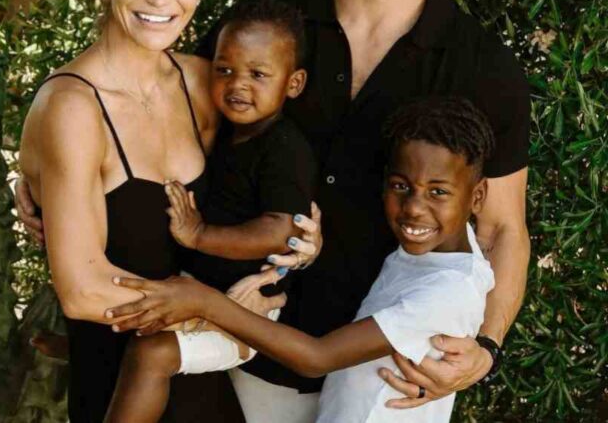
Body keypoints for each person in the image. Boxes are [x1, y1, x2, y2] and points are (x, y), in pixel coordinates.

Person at [15, 0, 530, 421]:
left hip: (382, 380)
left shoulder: (485, 67)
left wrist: (487, 347)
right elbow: (134, 102)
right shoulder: (265, 30)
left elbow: (500, 229)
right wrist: (41, 167)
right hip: (241, 369)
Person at [18, 0, 310, 422]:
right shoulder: (72, 108)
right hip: (119, 393)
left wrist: (303, 238)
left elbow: (272, 176)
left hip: (211, 392)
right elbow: (82, 291)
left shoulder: (205, 84)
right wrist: (221, 313)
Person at [105, 96, 497, 423]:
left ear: (476, 197)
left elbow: (317, 358)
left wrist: (203, 300)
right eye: (401, 186)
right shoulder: (446, 255)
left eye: (438, 192)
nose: (414, 208)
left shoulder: (448, 290)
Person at [105, 0, 317, 422]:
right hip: (197, 288)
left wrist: (199, 234)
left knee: (151, 353)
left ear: (293, 83)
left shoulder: (284, 148)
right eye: (225, 71)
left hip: (245, 312)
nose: (238, 85)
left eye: (258, 74)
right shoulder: (224, 132)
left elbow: (282, 231)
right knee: (125, 308)